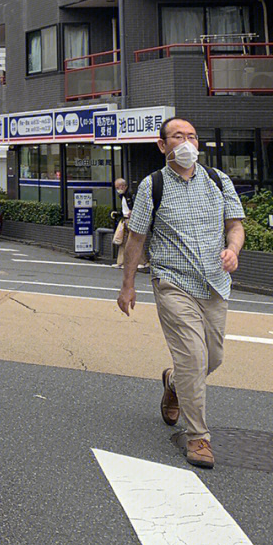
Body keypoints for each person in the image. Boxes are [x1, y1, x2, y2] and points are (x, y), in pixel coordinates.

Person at [116, 117, 244, 471]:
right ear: (162, 145)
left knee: (212, 358)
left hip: (216, 283)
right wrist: (128, 285)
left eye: (191, 137)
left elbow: (235, 225)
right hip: (173, 283)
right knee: (192, 356)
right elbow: (137, 237)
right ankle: (198, 436)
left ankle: (173, 383)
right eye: (177, 137)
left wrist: (233, 249)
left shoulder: (218, 181)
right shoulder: (152, 186)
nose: (186, 143)